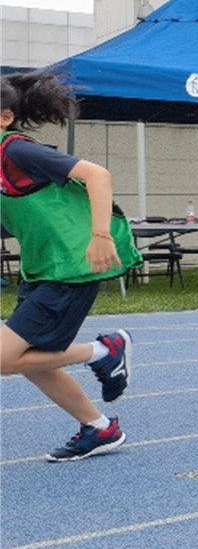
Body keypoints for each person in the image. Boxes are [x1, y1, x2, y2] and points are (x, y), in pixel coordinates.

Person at [0, 72, 139, 462]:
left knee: (5, 357)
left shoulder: (15, 151)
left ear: (5, 118)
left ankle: (103, 350)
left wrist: (100, 235)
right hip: (44, 269)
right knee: (32, 361)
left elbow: (98, 175)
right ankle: (99, 428)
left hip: (70, 268)